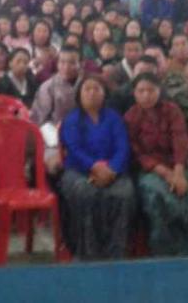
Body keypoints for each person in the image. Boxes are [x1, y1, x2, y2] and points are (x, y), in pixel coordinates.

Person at [124, 73, 188, 256]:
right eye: (141, 91)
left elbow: (180, 140)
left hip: (179, 166)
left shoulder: (172, 110)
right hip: (150, 171)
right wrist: (166, 174)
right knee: (162, 200)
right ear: (134, 93)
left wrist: (179, 172)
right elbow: (137, 153)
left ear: (160, 91)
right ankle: (166, 255)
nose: (146, 95)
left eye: (151, 90)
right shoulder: (130, 117)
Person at [59, 74, 135, 260]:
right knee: (87, 193)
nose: (92, 93)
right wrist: (94, 167)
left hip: (113, 171)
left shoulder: (114, 117)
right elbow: (74, 149)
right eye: (87, 89)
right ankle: (87, 252)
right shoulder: (72, 119)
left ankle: (115, 251)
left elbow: (122, 146)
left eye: (96, 89)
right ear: (79, 93)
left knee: (124, 193)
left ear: (104, 93)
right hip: (79, 171)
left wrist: (112, 169)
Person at [32, 46, 81, 174]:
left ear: (80, 64)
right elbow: (41, 121)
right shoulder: (48, 87)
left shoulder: (88, 84)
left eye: (72, 63)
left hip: (85, 134)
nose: (66, 67)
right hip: (54, 138)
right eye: (62, 62)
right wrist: (59, 141)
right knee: (55, 165)